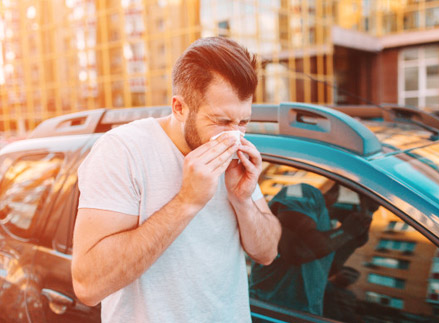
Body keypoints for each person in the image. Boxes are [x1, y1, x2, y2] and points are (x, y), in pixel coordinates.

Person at [71, 37, 281, 323]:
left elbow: (268, 253)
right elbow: (88, 285)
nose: (235, 136)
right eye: (221, 121)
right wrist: (187, 201)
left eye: (243, 122)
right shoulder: (122, 151)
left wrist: (243, 200)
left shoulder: (234, 158)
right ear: (179, 108)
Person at [249, 182, 373, 316]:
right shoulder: (302, 192)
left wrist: (352, 242)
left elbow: (321, 271)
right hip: (270, 311)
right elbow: (297, 250)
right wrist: (346, 232)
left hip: (302, 314)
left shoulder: (322, 216)